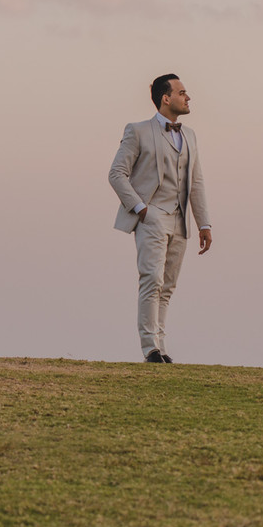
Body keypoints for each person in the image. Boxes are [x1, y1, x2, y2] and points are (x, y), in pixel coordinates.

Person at [109, 74, 212, 363]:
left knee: (167, 285)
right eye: (182, 92)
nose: (188, 97)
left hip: (180, 222)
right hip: (152, 216)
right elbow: (116, 174)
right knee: (151, 279)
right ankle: (149, 348)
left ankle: (161, 348)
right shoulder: (137, 131)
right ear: (166, 98)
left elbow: (197, 181)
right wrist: (141, 209)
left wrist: (204, 223)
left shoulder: (190, 135)